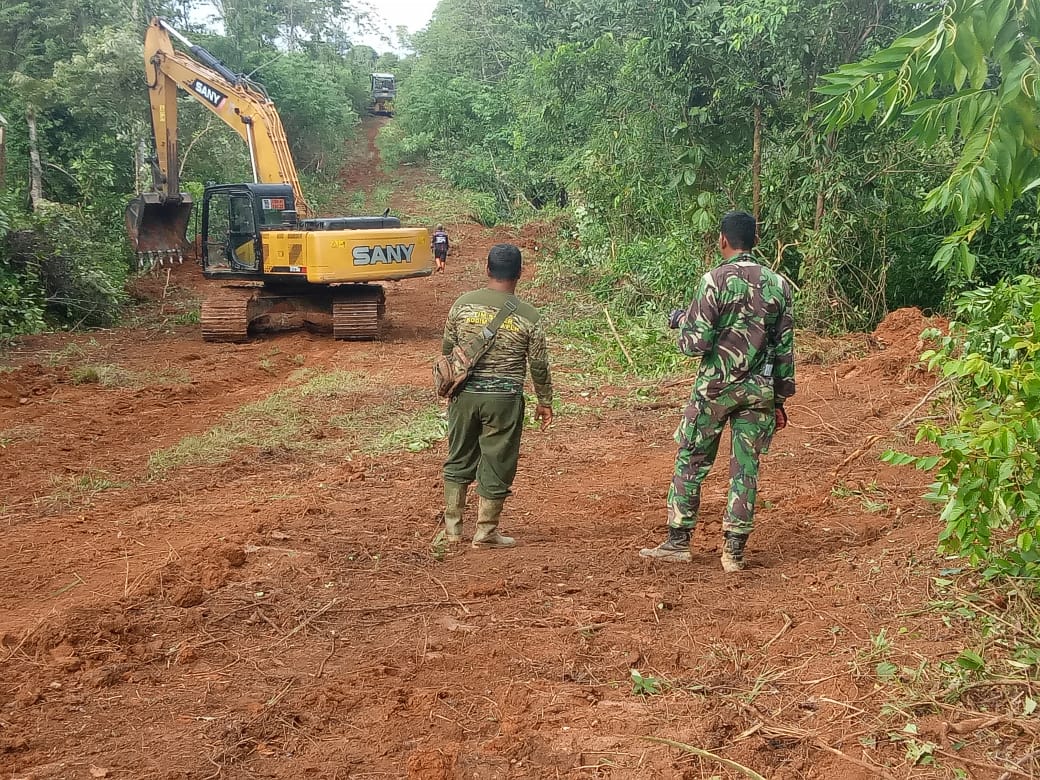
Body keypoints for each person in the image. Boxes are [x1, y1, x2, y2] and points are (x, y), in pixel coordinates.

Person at [640, 210, 795, 572]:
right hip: (759, 391)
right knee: (746, 468)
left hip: (714, 389)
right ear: (755, 240)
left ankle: (678, 541)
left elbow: (695, 343)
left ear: (722, 240)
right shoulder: (779, 284)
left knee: (692, 458)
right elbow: (784, 347)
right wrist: (780, 399)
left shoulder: (713, 281)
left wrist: (681, 320)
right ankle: (734, 552)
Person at [441, 243, 554, 548]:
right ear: (520, 273)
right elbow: (539, 365)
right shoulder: (529, 316)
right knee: (497, 461)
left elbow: (447, 351)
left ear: (487, 269)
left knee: (458, 457)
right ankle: (486, 532)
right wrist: (544, 401)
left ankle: (452, 531)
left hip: (464, 395)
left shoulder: (462, 305)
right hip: (504, 399)